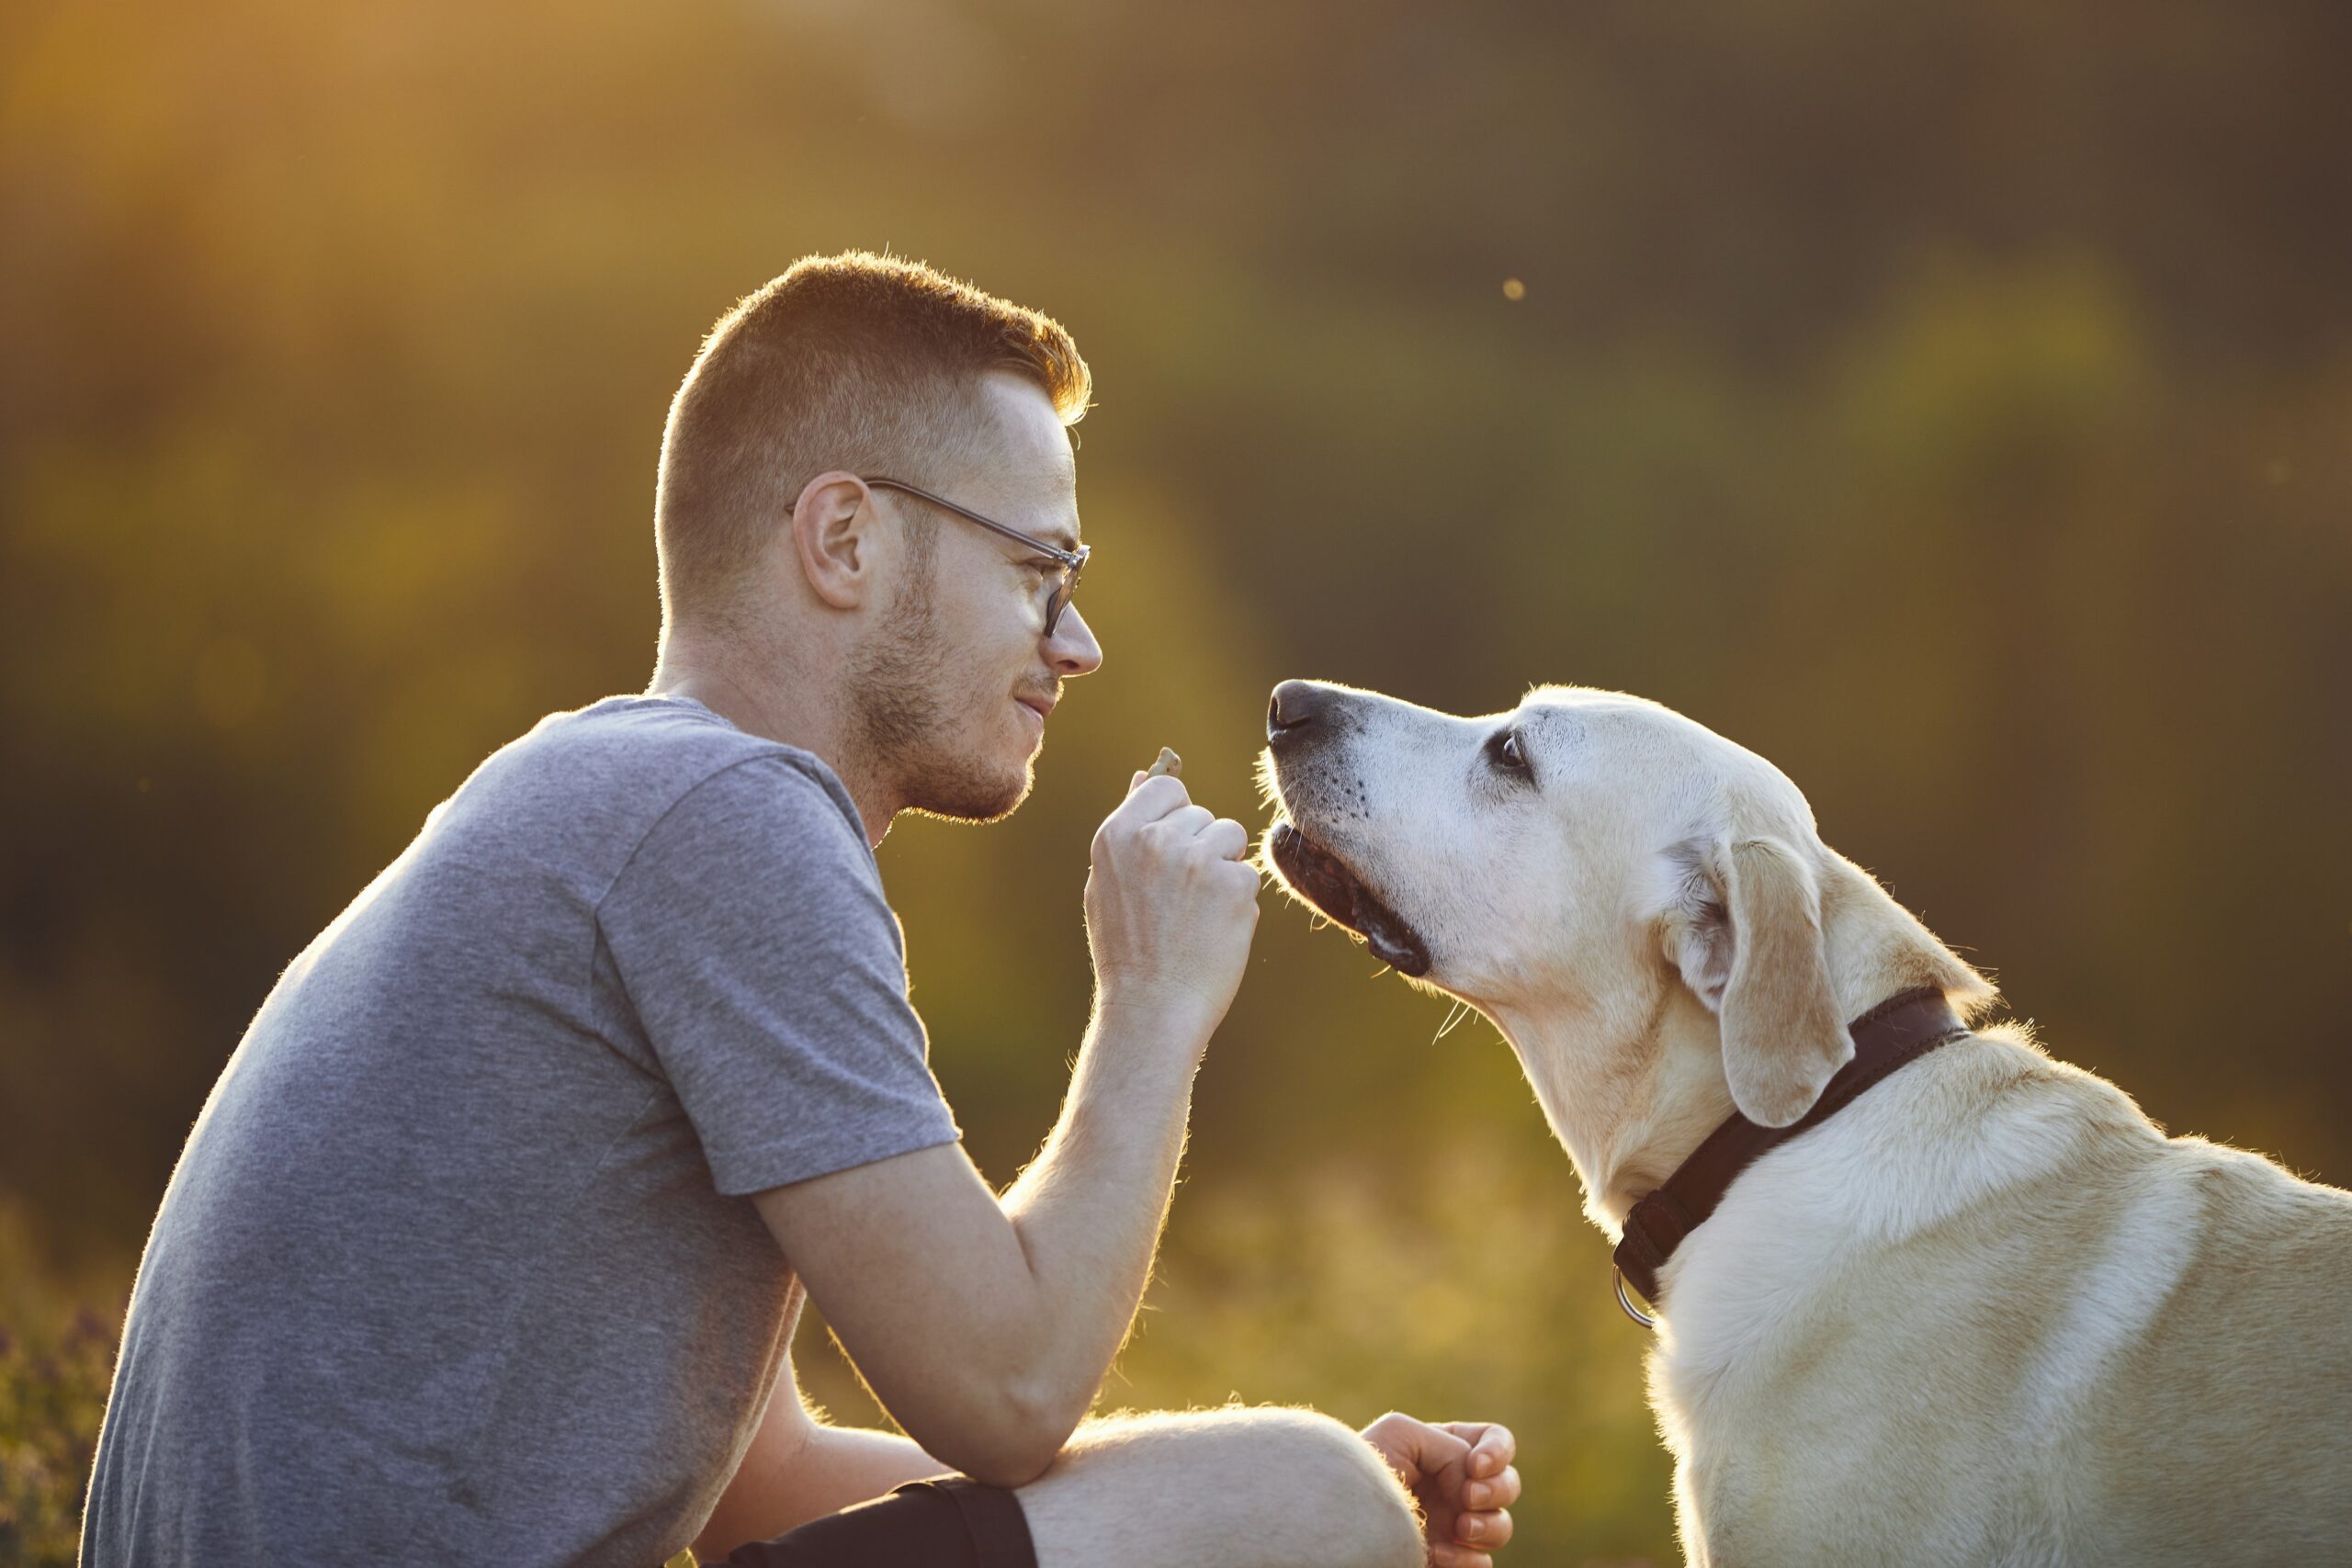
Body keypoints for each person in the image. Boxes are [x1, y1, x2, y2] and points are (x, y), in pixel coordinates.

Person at [82, 253, 1521, 1568]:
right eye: (1039, 572)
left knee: (1296, 1496)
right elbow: (1007, 1392)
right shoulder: (727, 816)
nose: (1078, 645)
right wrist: (1152, 1002)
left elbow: (759, 1475)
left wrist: (1193, 1505)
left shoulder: (606, 800)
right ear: (843, 542)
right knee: (1306, 1503)